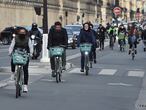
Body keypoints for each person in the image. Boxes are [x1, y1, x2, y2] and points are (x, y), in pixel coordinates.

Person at [9, 27, 33, 92]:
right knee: (13, 60)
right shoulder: (15, 38)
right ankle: (13, 73)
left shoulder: (28, 39)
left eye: (23, 32)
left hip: (25, 54)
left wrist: (31, 53)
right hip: (17, 53)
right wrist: (10, 52)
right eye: (21, 32)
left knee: (25, 69)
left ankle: (25, 86)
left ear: (25, 33)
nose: (22, 33)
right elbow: (11, 46)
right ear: (18, 32)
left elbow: (31, 47)